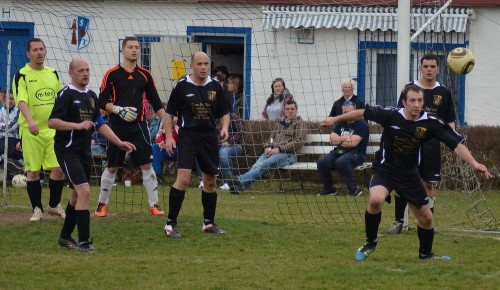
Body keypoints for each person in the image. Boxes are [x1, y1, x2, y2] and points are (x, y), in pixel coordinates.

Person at [320, 84, 491, 261]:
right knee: (375, 200)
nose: (416, 104)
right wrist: (334, 120)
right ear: (404, 102)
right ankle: (370, 243)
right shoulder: (391, 115)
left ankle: (426, 255)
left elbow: (455, 143)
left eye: (419, 100)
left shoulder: (431, 123)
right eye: (412, 100)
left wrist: (474, 163)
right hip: (385, 169)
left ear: (423, 102)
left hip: (409, 175)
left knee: (426, 218)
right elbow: (362, 112)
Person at [49, 59, 136, 252]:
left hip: (83, 153)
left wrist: (119, 142)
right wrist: (77, 125)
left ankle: (64, 236)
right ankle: (84, 242)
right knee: (85, 192)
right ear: (71, 73)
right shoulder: (65, 94)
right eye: (81, 70)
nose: (85, 73)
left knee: (76, 195)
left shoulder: (91, 95)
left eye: (87, 70)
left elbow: (100, 124)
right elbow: (52, 122)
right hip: (67, 150)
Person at [94, 36, 168, 217]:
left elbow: (156, 102)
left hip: (139, 127)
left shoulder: (145, 75)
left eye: (137, 47)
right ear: (123, 50)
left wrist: (167, 122)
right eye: (130, 47)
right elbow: (101, 102)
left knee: (146, 166)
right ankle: (101, 204)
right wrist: (118, 109)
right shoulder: (112, 74)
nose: (134, 50)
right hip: (116, 127)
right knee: (112, 166)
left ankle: (154, 205)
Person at [162, 51, 230, 238]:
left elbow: (225, 111)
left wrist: (224, 127)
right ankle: (170, 224)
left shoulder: (215, 86)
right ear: (191, 65)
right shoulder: (182, 86)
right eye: (199, 64)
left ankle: (208, 223)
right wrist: (169, 137)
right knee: (183, 179)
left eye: (206, 63)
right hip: (188, 136)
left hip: (209, 137)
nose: (203, 67)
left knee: (210, 181)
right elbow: (169, 114)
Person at [387, 54, 457, 235]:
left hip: (431, 144)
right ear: (420, 68)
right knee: (403, 181)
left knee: (428, 184)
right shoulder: (410, 89)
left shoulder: (445, 92)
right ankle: (398, 221)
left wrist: (453, 142)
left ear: (438, 69)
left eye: (432, 66)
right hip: (409, 143)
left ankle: (428, 222)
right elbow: (399, 116)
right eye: (425, 66)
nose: (429, 69)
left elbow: (449, 122)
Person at [12, 38, 66, 222]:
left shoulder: (53, 73)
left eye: (41, 49)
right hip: (31, 130)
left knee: (58, 169)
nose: (39, 53)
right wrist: (30, 120)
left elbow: (60, 100)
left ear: (46, 51)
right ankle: (37, 209)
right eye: (35, 50)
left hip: (52, 130)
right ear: (28, 54)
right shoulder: (22, 74)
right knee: (33, 172)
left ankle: (53, 204)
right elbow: (21, 101)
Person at [231, 100, 307, 194]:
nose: (290, 111)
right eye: (287, 109)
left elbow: (298, 142)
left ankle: (238, 179)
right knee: (256, 166)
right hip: (272, 152)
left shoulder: (300, 123)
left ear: (296, 110)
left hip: (288, 155)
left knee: (264, 165)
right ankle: (239, 188)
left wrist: (279, 149)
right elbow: (271, 139)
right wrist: (268, 147)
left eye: (292, 109)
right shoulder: (280, 123)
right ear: (284, 110)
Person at [317, 101, 368, 196]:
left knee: (341, 162)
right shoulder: (340, 124)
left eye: (349, 112)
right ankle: (329, 190)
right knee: (322, 162)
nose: (347, 114)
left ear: (355, 111)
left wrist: (340, 140)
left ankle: (355, 189)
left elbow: (352, 143)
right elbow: (332, 140)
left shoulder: (362, 124)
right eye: (345, 112)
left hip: (357, 154)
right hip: (340, 152)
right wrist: (345, 139)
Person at [218, 110, 243, 191]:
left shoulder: (233, 116)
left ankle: (228, 183)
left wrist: (229, 142)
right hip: (218, 145)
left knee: (223, 153)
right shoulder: (215, 117)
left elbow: (240, 132)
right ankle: (203, 181)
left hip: (234, 146)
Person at [0, 90, 23, 167]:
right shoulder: (2, 109)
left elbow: (11, 128)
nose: (9, 101)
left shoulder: (19, 110)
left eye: (12, 99)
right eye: (8, 98)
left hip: (13, 140)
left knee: (5, 145)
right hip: (2, 138)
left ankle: (18, 163)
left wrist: (1, 123)